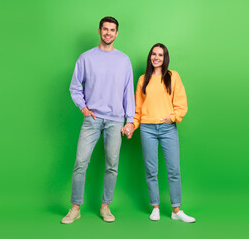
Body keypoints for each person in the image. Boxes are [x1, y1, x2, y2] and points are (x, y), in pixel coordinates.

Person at [61, 16, 135, 224]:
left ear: (117, 33)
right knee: (80, 162)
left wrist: (130, 120)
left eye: (112, 30)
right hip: (92, 119)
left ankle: (105, 206)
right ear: (99, 31)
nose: (108, 33)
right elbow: (75, 87)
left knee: (112, 165)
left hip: (116, 120)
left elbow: (128, 93)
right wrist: (84, 108)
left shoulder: (124, 60)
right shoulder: (86, 58)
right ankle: (75, 208)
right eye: (105, 29)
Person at [123, 43, 195, 223]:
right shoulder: (142, 80)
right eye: (154, 54)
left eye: (160, 55)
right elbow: (137, 109)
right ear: (150, 57)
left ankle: (176, 210)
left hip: (167, 128)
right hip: (147, 128)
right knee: (151, 170)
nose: (156, 58)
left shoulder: (173, 76)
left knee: (173, 170)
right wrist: (132, 125)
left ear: (165, 58)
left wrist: (173, 117)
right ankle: (155, 207)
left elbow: (181, 103)